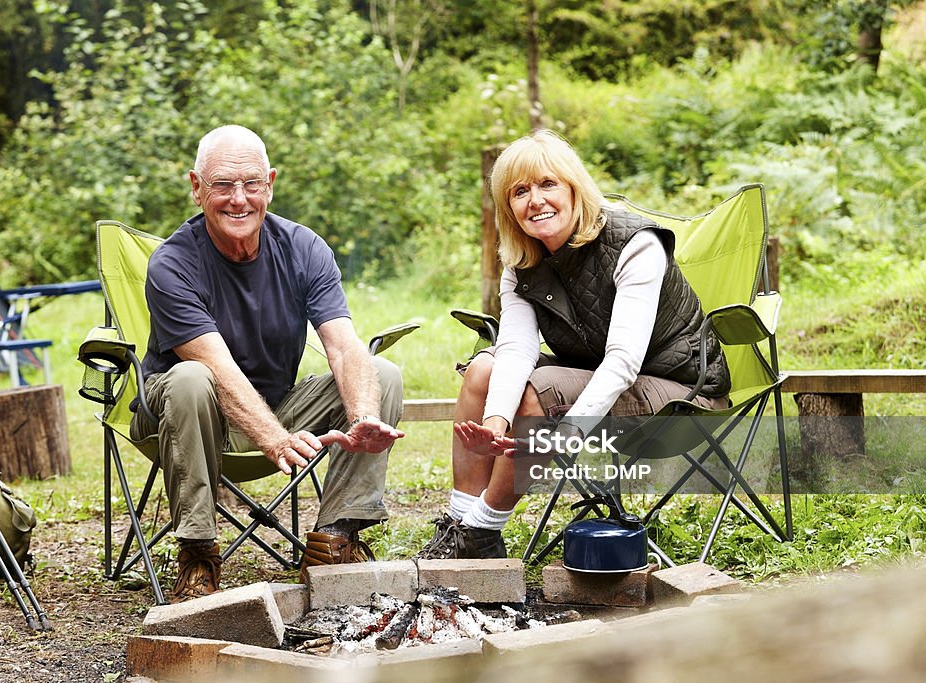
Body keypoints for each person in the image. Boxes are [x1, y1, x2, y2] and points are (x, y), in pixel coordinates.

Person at [416, 129, 730, 560]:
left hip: (680, 390)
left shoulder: (636, 244)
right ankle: (458, 523)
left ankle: (482, 531)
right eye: (519, 191)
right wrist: (495, 425)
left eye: (548, 184)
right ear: (509, 208)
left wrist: (569, 431)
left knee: (536, 394)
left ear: (573, 188)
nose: (536, 201)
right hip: (594, 372)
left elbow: (623, 361)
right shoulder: (522, 262)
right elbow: (517, 350)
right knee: (483, 371)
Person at [130, 125, 404, 602]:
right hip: (185, 417)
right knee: (193, 377)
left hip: (276, 408)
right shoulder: (171, 264)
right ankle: (198, 553)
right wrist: (274, 438)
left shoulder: (303, 248)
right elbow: (218, 368)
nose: (239, 199)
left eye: (251, 183)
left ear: (270, 184)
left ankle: (335, 539)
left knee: (382, 375)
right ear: (197, 188)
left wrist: (362, 415)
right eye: (222, 185)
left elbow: (342, 345)